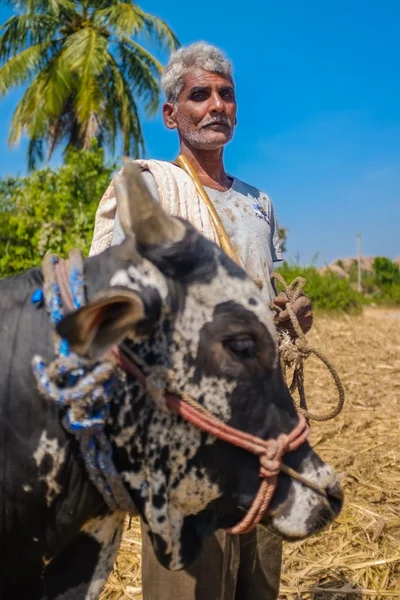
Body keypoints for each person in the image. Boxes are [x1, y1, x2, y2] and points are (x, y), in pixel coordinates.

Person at [90, 42, 313, 600]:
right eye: (200, 95)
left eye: (226, 94)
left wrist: (290, 321)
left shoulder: (259, 203)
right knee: (191, 579)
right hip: (186, 421)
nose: (216, 104)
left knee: (257, 573)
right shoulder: (149, 192)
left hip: (265, 421)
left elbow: (263, 297)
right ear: (172, 115)